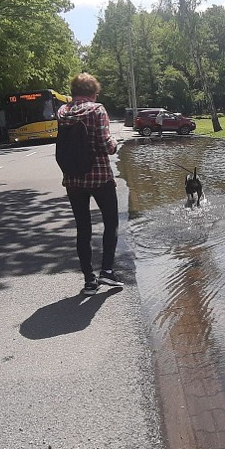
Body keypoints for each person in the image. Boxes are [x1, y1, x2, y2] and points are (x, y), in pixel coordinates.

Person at [57, 73, 124, 295]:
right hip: (99, 177)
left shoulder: (63, 112)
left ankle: (89, 280)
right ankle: (106, 270)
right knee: (111, 222)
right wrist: (115, 143)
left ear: (74, 91)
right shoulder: (97, 110)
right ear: (93, 92)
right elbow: (106, 145)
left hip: (73, 179)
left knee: (83, 228)